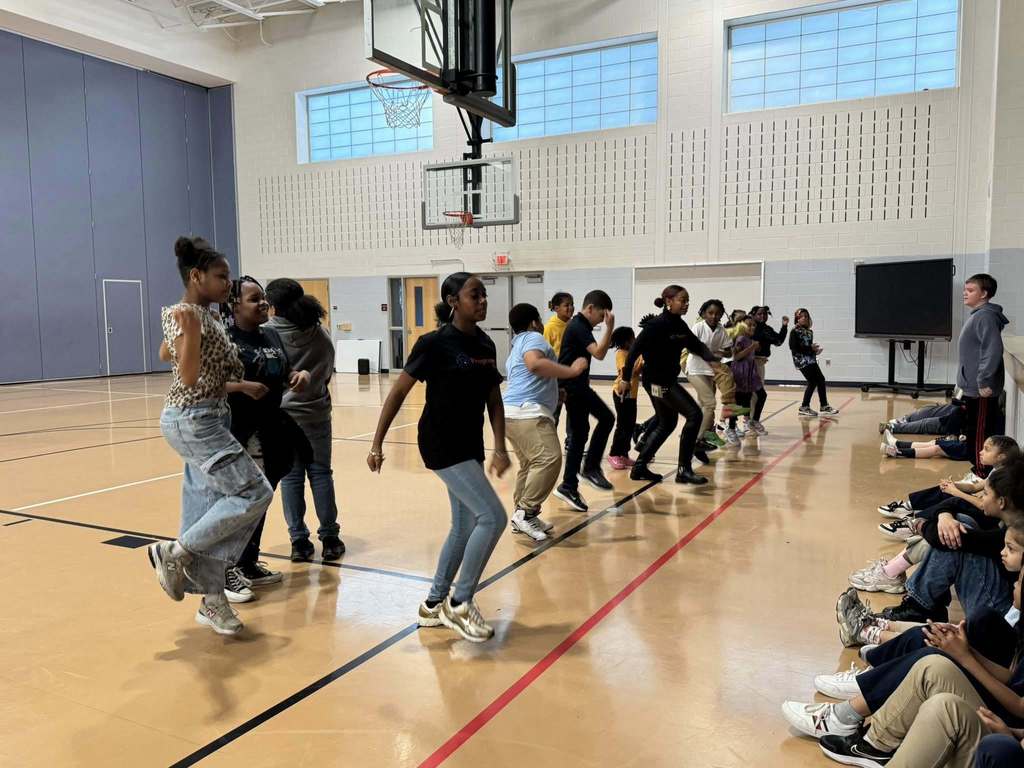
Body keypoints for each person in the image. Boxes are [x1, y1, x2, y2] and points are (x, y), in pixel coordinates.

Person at [367, 272, 509, 642]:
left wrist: (499, 446)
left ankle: (432, 604)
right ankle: (459, 603)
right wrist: (377, 443)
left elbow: (494, 400)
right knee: (492, 517)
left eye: (484, 295)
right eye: (475, 295)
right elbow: (398, 392)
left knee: (464, 525)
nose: (482, 301)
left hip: (470, 443)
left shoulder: (486, 343)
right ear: (453, 301)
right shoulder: (433, 343)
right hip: (440, 442)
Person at [148, 236, 274, 636]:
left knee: (206, 509)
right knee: (255, 492)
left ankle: (212, 600)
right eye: (221, 276)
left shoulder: (204, 315)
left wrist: (186, 338)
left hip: (211, 416)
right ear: (196, 276)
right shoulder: (188, 314)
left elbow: (165, 353)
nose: (228, 283)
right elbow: (187, 377)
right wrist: (189, 334)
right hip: (193, 420)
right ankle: (175, 552)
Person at [806, 569, 1024, 768]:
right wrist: (966, 650)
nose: (1015, 582)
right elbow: (1013, 678)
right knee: (933, 662)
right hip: (1012, 726)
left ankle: (865, 688)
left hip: (1009, 729)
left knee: (934, 665)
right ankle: (872, 740)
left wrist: (965, 658)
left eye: (1021, 581)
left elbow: (1020, 706)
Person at [221, 277, 312, 600]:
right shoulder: (225, 339)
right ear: (234, 306)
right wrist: (242, 387)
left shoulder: (271, 334)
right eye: (254, 299)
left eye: (263, 298)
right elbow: (203, 382)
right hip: (240, 431)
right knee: (241, 502)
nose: (262, 303)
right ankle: (224, 570)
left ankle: (247, 562)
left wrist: (298, 376)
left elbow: (283, 371)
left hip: (271, 428)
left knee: (262, 498)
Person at [853, 437, 1020, 597]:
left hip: (994, 601)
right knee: (953, 522)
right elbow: (972, 492)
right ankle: (892, 571)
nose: (983, 497)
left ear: (1002, 502)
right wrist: (944, 515)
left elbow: (957, 534)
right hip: (992, 578)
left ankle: (908, 591)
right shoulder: (1003, 487)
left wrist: (922, 525)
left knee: (949, 538)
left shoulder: (1008, 533)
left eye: (987, 494)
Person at [265, 278, 345, 563]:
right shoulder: (319, 332)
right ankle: (330, 538)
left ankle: (299, 541)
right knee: (321, 474)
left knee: (291, 478)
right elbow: (327, 371)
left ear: (274, 307)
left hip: (283, 416)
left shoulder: (268, 334)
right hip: (316, 413)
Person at [618, 285, 719, 486]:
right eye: (682, 300)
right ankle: (684, 470)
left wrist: (714, 359)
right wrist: (626, 379)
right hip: (657, 382)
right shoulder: (656, 325)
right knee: (694, 415)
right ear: (668, 301)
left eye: (688, 300)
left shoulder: (680, 325)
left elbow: (696, 346)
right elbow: (634, 351)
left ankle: (639, 468)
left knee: (667, 422)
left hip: (665, 381)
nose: (686, 304)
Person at [503, 303, 587, 542]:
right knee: (549, 459)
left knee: (529, 464)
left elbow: (527, 376)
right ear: (533, 322)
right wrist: (572, 371)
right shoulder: (534, 338)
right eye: (539, 319)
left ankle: (522, 515)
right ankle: (525, 512)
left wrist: (553, 391)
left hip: (511, 413)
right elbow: (535, 364)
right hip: (527, 413)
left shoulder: (517, 344)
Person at [553, 290, 616, 513]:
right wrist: (610, 328)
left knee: (580, 434)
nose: (601, 321)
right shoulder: (578, 325)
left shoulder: (581, 326)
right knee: (606, 419)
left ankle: (570, 484)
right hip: (572, 387)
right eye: (600, 316)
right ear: (590, 308)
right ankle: (587, 470)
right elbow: (599, 353)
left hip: (576, 386)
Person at [959, 274, 1009, 478]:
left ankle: (981, 473)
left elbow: (992, 350)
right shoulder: (979, 315)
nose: (965, 293)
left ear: (984, 294)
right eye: (965, 289)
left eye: (970, 290)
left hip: (982, 390)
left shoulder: (985, 316)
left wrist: (983, 380)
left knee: (981, 433)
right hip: (973, 388)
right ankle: (978, 470)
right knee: (974, 431)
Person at [686, 299, 743, 453]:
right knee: (710, 404)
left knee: (704, 405)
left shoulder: (721, 330)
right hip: (696, 369)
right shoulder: (698, 327)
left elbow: (728, 352)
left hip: (712, 370)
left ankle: (700, 434)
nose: (714, 316)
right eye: (710, 313)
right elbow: (690, 349)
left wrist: (721, 353)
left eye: (717, 314)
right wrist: (709, 354)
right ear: (704, 313)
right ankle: (696, 440)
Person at [789, 307, 839, 418]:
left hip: (811, 359)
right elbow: (793, 347)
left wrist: (814, 351)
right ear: (797, 319)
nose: (804, 318)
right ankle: (804, 407)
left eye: (806, 316)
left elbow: (808, 347)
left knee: (820, 379)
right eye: (802, 316)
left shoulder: (809, 332)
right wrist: (810, 348)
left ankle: (823, 406)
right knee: (812, 381)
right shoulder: (794, 331)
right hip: (801, 361)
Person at [748, 305, 788, 433]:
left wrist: (784, 326)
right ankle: (748, 421)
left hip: (760, 363)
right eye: (759, 314)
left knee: (756, 394)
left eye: (764, 314)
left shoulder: (767, 329)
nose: (762, 316)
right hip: (748, 364)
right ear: (753, 315)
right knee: (753, 394)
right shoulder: (749, 327)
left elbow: (778, 341)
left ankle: (751, 421)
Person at [608, 326, 642, 470]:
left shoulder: (634, 353)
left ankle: (624, 454)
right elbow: (628, 372)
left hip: (632, 395)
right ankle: (614, 454)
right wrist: (641, 361)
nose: (634, 340)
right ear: (625, 341)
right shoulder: (621, 353)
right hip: (621, 393)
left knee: (630, 425)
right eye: (632, 338)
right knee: (622, 425)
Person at [726, 320, 761, 439]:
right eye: (749, 325)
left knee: (747, 399)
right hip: (740, 372)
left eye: (754, 325)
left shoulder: (750, 339)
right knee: (737, 400)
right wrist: (752, 347)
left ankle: (745, 423)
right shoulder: (741, 339)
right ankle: (731, 427)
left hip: (749, 373)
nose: (752, 327)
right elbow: (737, 356)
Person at [881, 396, 967, 436]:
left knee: (926, 424)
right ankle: (906, 419)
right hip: (961, 409)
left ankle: (893, 427)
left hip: (962, 422)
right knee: (928, 411)